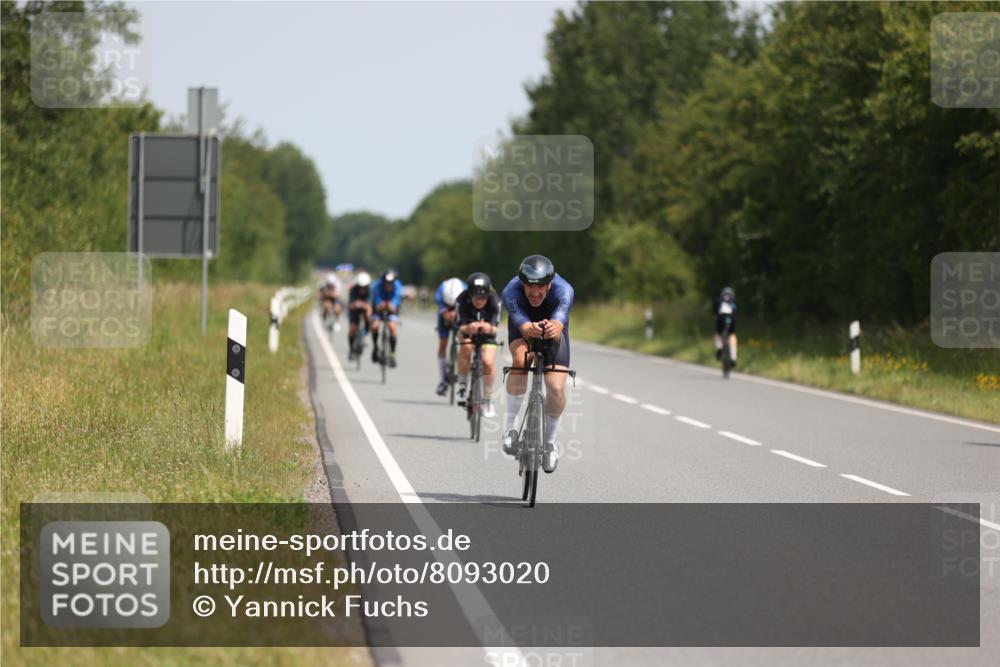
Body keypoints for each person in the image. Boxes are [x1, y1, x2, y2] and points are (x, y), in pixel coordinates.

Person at [500, 255, 574, 473]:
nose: (535, 293)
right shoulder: (510, 292)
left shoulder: (564, 290)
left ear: (549, 283)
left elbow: (560, 319)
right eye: (529, 287)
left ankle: (550, 444)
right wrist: (527, 328)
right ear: (521, 283)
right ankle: (510, 428)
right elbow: (521, 324)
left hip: (554, 327)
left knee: (556, 387)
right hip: (522, 324)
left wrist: (555, 326)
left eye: (541, 287)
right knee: (522, 359)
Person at [455, 272, 501, 417]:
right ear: (469, 295)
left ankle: (488, 398)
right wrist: (469, 328)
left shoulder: (495, 300)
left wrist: (488, 328)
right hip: (467, 330)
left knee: (487, 361)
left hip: (488, 334)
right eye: (476, 297)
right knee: (466, 347)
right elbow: (459, 326)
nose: (480, 301)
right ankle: (462, 385)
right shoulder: (461, 300)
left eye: (483, 298)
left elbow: (495, 327)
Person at [434, 277, 467, 396]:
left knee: (463, 340)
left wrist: (457, 313)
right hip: (444, 312)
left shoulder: (464, 289)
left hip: (461, 310)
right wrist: (445, 312)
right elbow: (439, 303)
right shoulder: (441, 289)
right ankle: (442, 381)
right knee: (443, 343)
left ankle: (459, 364)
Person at [370, 268, 403, 367]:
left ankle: (392, 354)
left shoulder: (397, 285)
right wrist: (379, 304)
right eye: (386, 283)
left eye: (391, 283)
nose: (389, 285)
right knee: (375, 326)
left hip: (392, 308)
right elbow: (376, 297)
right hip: (378, 308)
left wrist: (392, 305)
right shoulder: (377, 285)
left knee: (392, 327)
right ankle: (376, 347)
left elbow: (397, 297)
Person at [347, 271, 373, 360]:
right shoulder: (353, 290)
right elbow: (351, 305)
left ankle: (366, 334)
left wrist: (364, 307)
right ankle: (351, 349)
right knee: (353, 328)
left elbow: (369, 306)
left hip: (365, 310)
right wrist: (358, 304)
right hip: (354, 311)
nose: (362, 289)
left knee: (369, 317)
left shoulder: (370, 291)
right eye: (360, 287)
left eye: (364, 287)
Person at [714, 286, 737, 366]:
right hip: (731, 320)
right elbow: (736, 312)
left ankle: (719, 347)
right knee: (732, 335)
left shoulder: (719, 300)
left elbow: (716, 312)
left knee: (718, 334)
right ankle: (733, 357)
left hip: (721, 319)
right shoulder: (733, 300)